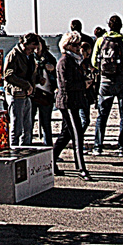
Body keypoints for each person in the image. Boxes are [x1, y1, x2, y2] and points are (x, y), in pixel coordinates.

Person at [52, 32, 93, 179]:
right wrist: (83, 84)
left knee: (66, 133)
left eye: (78, 45)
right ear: (67, 46)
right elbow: (65, 84)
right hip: (67, 101)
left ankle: (51, 159)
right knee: (77, 134)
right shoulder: (64, 62)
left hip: (75, 100)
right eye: (75, 45)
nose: (78, 48)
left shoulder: (76, 61)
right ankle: (81, 168)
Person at [92, 16, 123, 154]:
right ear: (121, 26)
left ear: (108, 26)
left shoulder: (100, 41)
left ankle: (98, 146)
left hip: (105, 81)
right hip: (122, 80)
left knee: (102, 115)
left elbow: (94, 62)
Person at [2, 33, 42, 147]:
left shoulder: (29, 56)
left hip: (26, 94)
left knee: (28, 127)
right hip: (16, 94)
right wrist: (26, 85)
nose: (32, 51)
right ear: (24, 44)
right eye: (30, 48)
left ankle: (26, 148)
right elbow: (8, 75)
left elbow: (30, 72)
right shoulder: (14, 55)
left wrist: (38, 79)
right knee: (17, 126)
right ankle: (14, 149)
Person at [33, 42, 57, 145]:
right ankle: (27, 146)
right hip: (33, 93)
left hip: (47, 93)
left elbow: (56, 72)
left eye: (38, 45)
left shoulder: (49, 57)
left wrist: (52, 68)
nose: (37, 49)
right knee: (29, 122)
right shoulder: (30, 58)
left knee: (46, 122)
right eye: (35, 46)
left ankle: (48, 148)